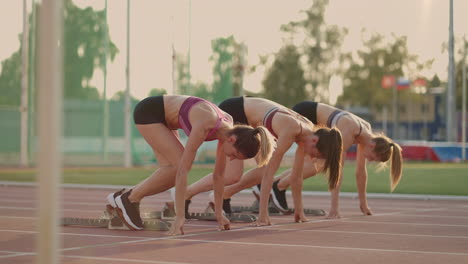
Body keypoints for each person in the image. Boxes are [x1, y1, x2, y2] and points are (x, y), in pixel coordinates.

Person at [106, 95, 275, 235]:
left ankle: (127, 196)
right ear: (232, 140)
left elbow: (219, 176)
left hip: (165, 120)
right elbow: (183, 171)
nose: (231, 159)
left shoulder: (227, 131)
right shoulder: (205, 124)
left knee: (170, 173)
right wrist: (180, 217)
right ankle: (129, 199)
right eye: (235, 155)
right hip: (149, 112)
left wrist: (218, 214)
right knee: (178, 166)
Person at [184, 96, 343, 225]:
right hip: (237, 112)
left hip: (253, 120)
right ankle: (185, 194)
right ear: (314, 141)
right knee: (234, 175)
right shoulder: (291, 130)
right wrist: (263, 215)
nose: (313, 158)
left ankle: (221, 196)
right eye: (316, 154)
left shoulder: (305, 134)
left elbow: (296, 176)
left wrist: (299, 210)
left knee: (258, 170)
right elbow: (269, 174)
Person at [265, 101, 403, 219]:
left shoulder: (365, 132)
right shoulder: (349, 134)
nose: (370, 160)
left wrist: (363, 204)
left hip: (314, 118)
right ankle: (278, 186)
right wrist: (334, 208)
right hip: (306, 113)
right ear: (372, 146)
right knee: (319, 165)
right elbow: (337, 170)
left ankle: (272, 184)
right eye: (372, 158)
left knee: (314, 163)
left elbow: (361, 172)